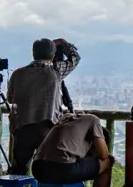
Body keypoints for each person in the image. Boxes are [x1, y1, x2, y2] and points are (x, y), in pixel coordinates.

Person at [6, 38, 81, 176]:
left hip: (21, 129)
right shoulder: (55, 70)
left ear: (33, 54)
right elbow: (75, 58)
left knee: (18, 173)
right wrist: (64, 43)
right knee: (48, 172)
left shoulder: (17, 74)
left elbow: (10, 98)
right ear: (53, 56)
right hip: (47, 128)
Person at [31, 113, 114, 187]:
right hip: (62, 168)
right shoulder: (93, 121)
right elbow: (104, 155)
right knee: (107, 163)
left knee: (79, 164)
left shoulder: (67, 118)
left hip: (37, 168)